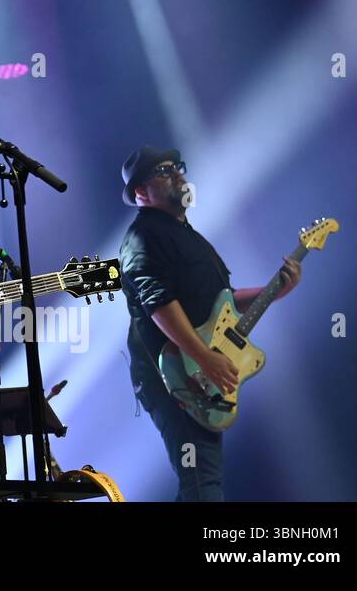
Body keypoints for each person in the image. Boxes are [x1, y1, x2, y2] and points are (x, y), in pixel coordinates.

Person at [118, 146, 301, 501]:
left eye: (177, 167)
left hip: (197, 369)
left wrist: (273, 290)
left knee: (203, 479)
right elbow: (158, 303)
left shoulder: (186, 235)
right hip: (176, 374)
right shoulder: (143, 238)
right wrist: (204, 356)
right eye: (163, 170)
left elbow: (224, 300)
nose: (177, 175)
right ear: (140, 192)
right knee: (202, 480)